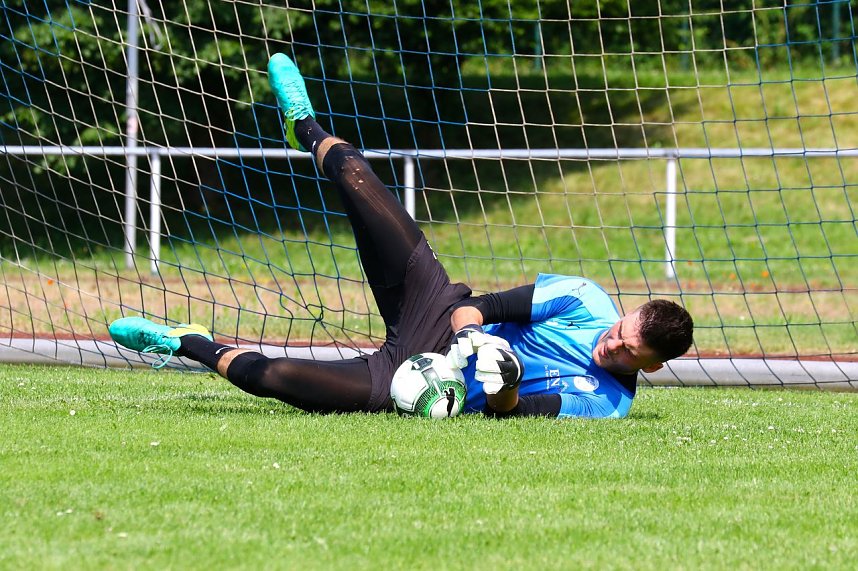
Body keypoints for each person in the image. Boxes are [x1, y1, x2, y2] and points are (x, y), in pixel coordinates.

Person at [109, 54, 693, 419]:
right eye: (621, 331)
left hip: (432, 384)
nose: (612, 342)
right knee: (358, 176)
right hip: (437, 310)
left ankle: (182, 341)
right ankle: (302, 124)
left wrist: (504, 380)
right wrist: (476, 341)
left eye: (627, 350)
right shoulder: (585, 299)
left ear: (653, 366)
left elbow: (511, 415)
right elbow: (479, 305)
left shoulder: (609, 404)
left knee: (273, 380)